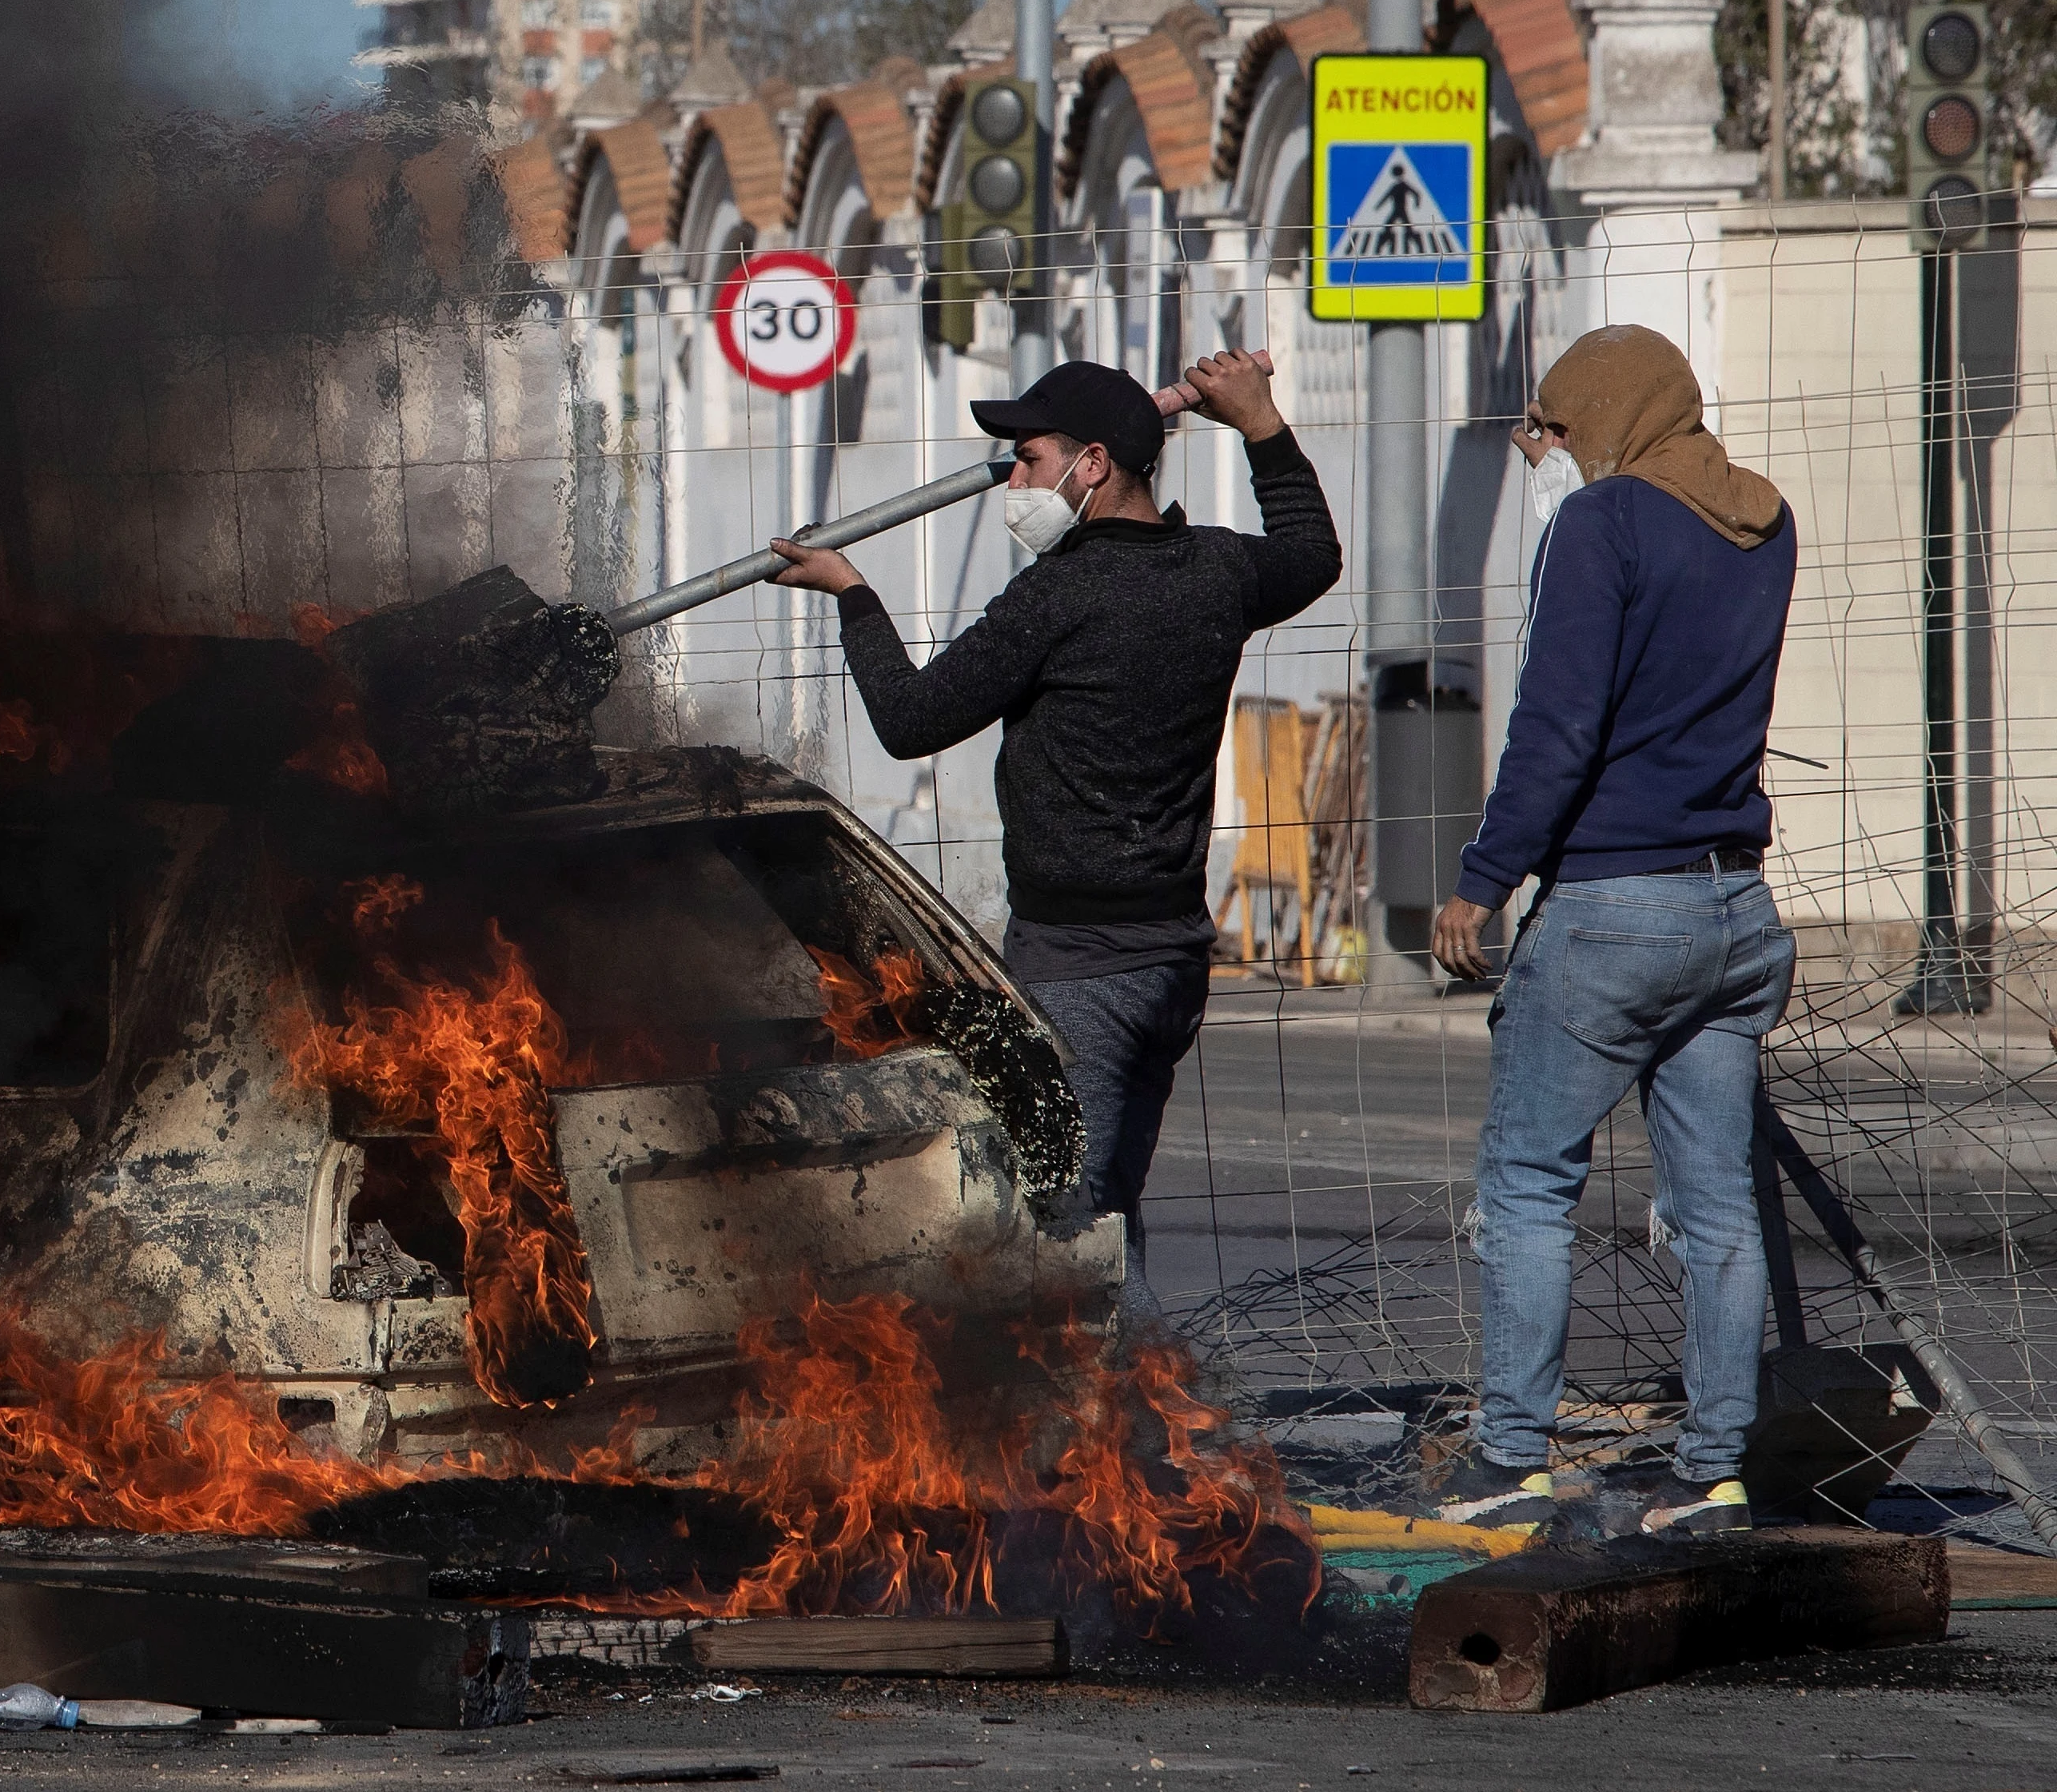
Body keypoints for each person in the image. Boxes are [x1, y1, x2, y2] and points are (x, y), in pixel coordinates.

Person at [765, 352, 1339, 1232]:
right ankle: (1143, 1374)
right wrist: (1261, 424)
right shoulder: (1217, 571)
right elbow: (1310, 552)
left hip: (1081, 964)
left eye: (1030, 461)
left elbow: (911, 719)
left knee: (1067, 1231)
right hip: (1172, 960)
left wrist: (853, 594)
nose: (1016, 483)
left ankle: (1149, 1375)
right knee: (1107, 1206)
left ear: (1094, 464)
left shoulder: (1057, 597)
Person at [1429, 325, 1796, 1540]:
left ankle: (1510, 1456)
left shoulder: (1602, 528)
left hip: (1612, 907)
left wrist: (1482, 882)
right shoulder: (1762, 524)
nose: (1550, 451)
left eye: (1556, 428)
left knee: (1530, 1187)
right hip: (1736, 906)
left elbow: (1557, 729)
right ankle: (1712, 1473)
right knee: (1720, 1209)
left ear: (1606, 415)